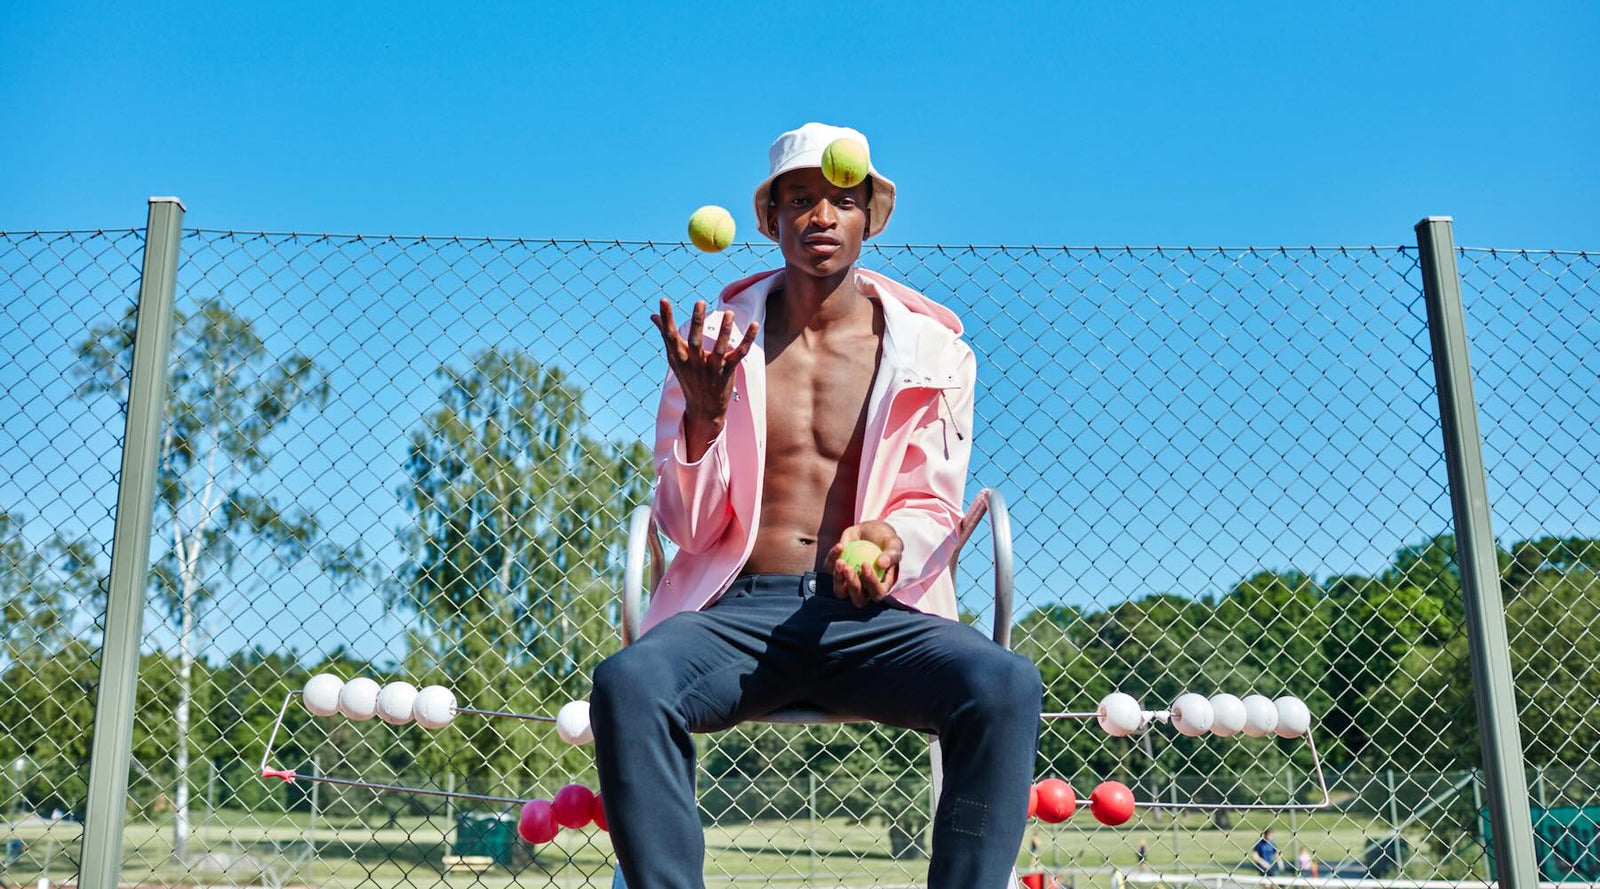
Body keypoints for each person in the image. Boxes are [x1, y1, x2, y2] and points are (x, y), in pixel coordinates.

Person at [589, 121, 1044, 889]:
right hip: (737, 613)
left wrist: (891, 539)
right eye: (800, 199)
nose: (821, 216)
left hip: (872, 619)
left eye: (841, 199)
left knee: (1004, 682)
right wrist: (702, 416)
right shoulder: (714, 344)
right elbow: (688, 526)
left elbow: (934, 501)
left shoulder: (936, 353)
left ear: (870, 216)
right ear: (769, 220)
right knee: (628, 682)